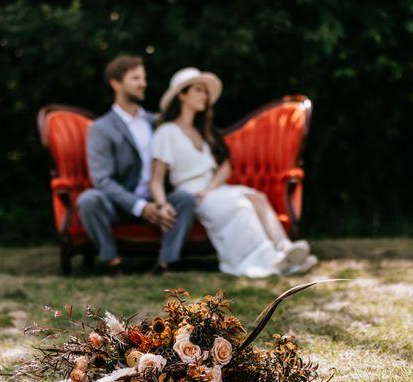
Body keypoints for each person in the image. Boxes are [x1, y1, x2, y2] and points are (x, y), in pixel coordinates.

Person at [150, 67, 318, 277]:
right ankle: (270, 261)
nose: (204, 96)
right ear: (181, 95)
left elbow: (226, 166)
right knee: (241, 207)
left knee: (258, 198)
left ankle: (285, 248)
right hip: (193, 195)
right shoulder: (166, 132)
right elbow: (156, 180)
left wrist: (210, 187)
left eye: (205, 91)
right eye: (198, 90)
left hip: (213, 189)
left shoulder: (204, 133)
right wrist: (162, 204)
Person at [78, 56, 196, 274]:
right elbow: (102, 180)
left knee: (185, 199)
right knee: (88, 200)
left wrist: (159, 203)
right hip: (120, 204)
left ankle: (165, 263)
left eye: (143, 78)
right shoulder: (101, 128)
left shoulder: (156, 122)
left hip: (157, 198)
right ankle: (113, 262)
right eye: (135, 78)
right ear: (116, 83)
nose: (143, 83)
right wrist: (140, 207)